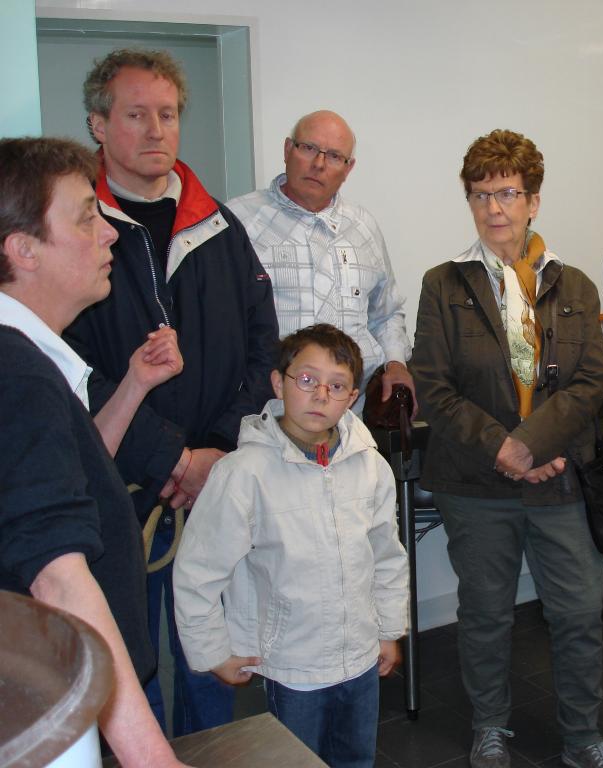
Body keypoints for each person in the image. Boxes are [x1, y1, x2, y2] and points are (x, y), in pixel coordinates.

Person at [63, 47, 280, 735]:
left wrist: (215, 450)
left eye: (168, 114)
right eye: (136, 115)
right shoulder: (75, 232)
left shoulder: (219, 225)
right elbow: (69, 370)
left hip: (215, 479)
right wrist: (170, 459)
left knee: (210, 649)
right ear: (99, 124)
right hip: (120, 486)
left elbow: (263, 347)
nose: (156, 130)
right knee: (130, 654)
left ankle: (212, 748)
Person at [409, 129, 603, 768]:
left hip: (561, 477)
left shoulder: (574, 285)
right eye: (480, 195)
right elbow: (433, 386)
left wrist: (533, 446)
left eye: (506, 193)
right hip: (476, 482)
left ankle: (581, 736)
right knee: (485, 615)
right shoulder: (443, 284)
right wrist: (504, 449)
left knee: (578, 612)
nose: (493, 208)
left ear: (533, 201)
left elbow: (592, 381)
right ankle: (490, 726)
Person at [0, 136, 188, 768]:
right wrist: (152, 759)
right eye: (86, 217)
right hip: (49, 707)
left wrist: (132, 385)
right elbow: (56, 572)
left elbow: (70, 477)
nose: (109, 233)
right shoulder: (16, 372)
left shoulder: (28, 360)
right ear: (23, 249)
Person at [173, 323, 408, 768]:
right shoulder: (243, 473)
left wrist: (388, 630)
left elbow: (386, 557)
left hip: (360, 658)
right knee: (296, 759)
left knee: (356, 758)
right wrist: (213, 652)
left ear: (351, 397)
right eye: (306, 379)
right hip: (292, 667)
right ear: (278, 383)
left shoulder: (371, 467)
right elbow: (198, 571)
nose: (320, 395)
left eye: (335, 386)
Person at [228, 110, 415, 412]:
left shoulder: (363, 228)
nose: (318, 164)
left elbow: (387, 313)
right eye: (308, 148)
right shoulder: (238, 222)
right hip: (267, 413)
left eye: (334, 156)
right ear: (287, 149)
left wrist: (396, 363)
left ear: (348, 168)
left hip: (352, 414)